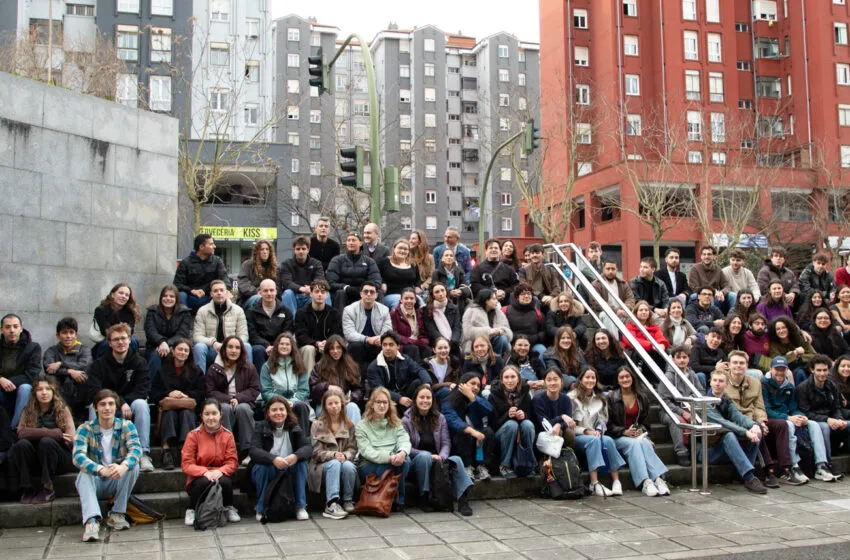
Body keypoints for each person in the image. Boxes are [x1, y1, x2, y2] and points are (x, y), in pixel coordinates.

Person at [723, 351, 802, 486]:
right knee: (757, 429)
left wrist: (762, 421)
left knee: (781, 424)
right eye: (735, 362)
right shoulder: (723, 382)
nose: (738, 366)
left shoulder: (755, 382)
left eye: (741, 363)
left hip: (754, 419)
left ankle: (785, 468)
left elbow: (759, 407)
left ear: (747, 365)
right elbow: (729, 412)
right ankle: (768, 470)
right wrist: (756, 424)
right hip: (736, 422)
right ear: (729, 365)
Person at [73, 389, 141, 542]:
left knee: (133, 466)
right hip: (95, 480)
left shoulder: (126, 425)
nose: (107, 408)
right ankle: (92, 521)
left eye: (111, 404)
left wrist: (123, 466)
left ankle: (117, 513)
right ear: (95, 408)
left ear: (116, 407)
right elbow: (78, 457)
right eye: (102, 404)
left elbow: (136, 450)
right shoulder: (85, 428)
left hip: (116, 478)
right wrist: (100, 469)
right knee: (84, 473)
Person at [85, 323, 153, 472]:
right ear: (109, 343)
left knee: (142, 404)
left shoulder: (139, 362)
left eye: (123, 338)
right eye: (116, 339)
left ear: (130, 340)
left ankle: (143, 453)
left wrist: (124, 402)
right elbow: (95, 391)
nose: (120, 342)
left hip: (132, 403)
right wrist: (119, 403)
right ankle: (95, 454)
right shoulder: (99, 364)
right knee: (93, 407)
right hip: (109, 403)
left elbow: (142, 390)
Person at [402, 384, 475, 514]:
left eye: (428, 398)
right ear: (415, 400)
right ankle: (424, 497)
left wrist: (442, 456)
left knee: (456, 459)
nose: (425, 401)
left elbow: (446, 442)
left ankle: (463, 500)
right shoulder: (406, 421)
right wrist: (429, 456)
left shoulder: (440, 418)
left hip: (439, 460)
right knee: (424, 457)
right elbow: (406, 447)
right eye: (422, 397)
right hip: (418, 463)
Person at [8, 374, 75, 504]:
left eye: (48, 389)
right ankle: (27, 488)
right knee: (22, 444)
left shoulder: (63, 410)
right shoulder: (28, 411)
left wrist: (46, 435)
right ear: (35, 393)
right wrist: (54, 433)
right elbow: (21, 433)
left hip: (57, 459)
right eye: (40, 389)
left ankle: (48, 487)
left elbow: (71, 438)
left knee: (46, 442)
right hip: (35, 459)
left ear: (53, 392)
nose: (44, 393)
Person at [763, 356, 830, 482]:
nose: (779, 372)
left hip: (789, 417)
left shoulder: (789, 386)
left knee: (813, 424)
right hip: (774, 420)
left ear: (787, 370)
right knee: (788, 424)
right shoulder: (763, 384)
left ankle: (821, 465)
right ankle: (794, 465)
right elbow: (767, 410)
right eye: (777, 369)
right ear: (771, 369)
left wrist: (801, 416)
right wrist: (789, 417)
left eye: (782, 369)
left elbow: (794, 407)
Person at [607, 367, 670, 497]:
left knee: (644, 442)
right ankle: (645, 482)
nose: (625, 379)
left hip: (636, 436)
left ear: (632, 378)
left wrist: (640, 430)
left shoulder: (641, 396)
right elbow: (607, 425)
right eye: (622, 377)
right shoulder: (611, 397)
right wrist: (624, 431)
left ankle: (658, 479)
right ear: (617, 380)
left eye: (627, 376)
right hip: (617, 436)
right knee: (635, 444)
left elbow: (645, 422)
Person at [703, 369, 768, 494]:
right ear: (710, 383)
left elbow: (738, 417)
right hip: (707, 451)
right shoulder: (705, 403)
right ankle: (749, 477)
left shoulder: (726, 400)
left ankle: (743, 474)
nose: (717, 384)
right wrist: (745, 432)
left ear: (726, 385)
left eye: (721, 381)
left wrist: (753, 425)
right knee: (729, 435)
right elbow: (723, 423)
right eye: (714, 380)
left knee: (756, 431)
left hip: (724, 449)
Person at [250, 396, 311, 521]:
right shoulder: (260, 427)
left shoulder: (294, 426)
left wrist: (295, 456)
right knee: (261, 467)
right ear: (268, 412)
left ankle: (300, 506)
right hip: (270, 467)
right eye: (274, 410)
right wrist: (273, 459)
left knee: (302, 464)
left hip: (288, 467)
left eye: (282, 409)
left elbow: (307, 447)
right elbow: (254, 450)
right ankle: (261, 508)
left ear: (287, 411)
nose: (278, 413)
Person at [568, 368, 627, 497]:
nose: (590, 380)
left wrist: (600, 429)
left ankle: (616, 480)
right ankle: (594, 483)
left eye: (593, 378)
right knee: (593, 441)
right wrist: (586, 431)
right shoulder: (572, 397)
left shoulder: (601, 398)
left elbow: (603, 420)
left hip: (595, 434)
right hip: (578, 436)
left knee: (608, 440)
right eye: (587, 377)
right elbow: (570, 425)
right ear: (581, 379)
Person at [181, 399, 240, 526]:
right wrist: (204, 472)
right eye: (207, 414)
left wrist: (220, 471)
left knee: (225, 481)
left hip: (220, 472)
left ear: (220, 415)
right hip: (199, 475)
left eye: (214, 413)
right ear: (201, 416)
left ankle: (228, 507)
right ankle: (191, 509)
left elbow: (232, 462)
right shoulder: (193, 435)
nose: (211, 417)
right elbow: (187, 463)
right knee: (203, 482)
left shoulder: (228, 435)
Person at [150, 339, 205, 470]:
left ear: (189, 354)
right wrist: (169, 393)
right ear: (173, 351)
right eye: (180, 349)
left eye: (186, 350)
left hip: (188, 408)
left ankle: (186, 450)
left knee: (186, 413)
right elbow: (154, 394)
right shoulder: (162, 371)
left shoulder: (196, 371)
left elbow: (202, 393)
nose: (182, 352)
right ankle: (167, 450)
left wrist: (186, 395)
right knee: (169, 413)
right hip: (169, 408)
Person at [356, 387, 412, 512]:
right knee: (389, 466)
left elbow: (404, 440)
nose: (382, 405)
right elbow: (367, 451)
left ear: (389, 405)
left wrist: (402, 452)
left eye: (385, 402)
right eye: (378, 402)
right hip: (369, 465)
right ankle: (392, 499)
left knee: (406, 460)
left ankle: (398, 500)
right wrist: (389, 457)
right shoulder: (362, 426)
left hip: (393, 460)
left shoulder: (396, 423)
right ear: (371, 404)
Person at [205, 336, 260, 458]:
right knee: (224, 409)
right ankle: (227, 450)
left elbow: (255, 389)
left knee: (243, 409)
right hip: (223, 402)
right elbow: (210, 391)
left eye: (237, 347)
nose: (234, 350)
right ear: (224, 349)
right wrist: (229, 399)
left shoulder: (249, 367)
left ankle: (249, 451)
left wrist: (239, 398)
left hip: (243, 402)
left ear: (241, 351)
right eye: (230, 347)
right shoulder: (214, 368)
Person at [309, 388, 358, 520]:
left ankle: (348, 500)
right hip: (321, 466)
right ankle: (331, 504)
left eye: (336, 403)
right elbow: (315, 452)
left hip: (343, 461)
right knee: (334, 464)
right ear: (324, 406)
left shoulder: (349, 425)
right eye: (330, 403)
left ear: (342, 404)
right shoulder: (317, 425)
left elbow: (352, 448)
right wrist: (334, 455)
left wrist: (345, 456)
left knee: (348, 466)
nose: (334, 406)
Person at [797, 354, 849, 478]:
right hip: (813, 421)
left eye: (825, 370)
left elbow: (836, 408)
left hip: (830, 419)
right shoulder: (803, 388)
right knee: (824, 427)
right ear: (812, 370)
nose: (822, 373)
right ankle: (828, 464)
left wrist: (840, 420)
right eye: (819, 370)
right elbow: (806, 412)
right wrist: (828, 419)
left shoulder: (831, 385)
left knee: (848, 424)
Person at [437, 373, 494, 481]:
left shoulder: (475, 399)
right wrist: (471, 431)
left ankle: (481, 467)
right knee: (463, 433)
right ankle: (467, 467)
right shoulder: (449, 399)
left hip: (475, 441)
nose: (476, 387)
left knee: (488, 432)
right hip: (458, 441)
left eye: (478, 385)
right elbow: (452, 420)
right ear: (462, 384)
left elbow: (489, 410)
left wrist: (473, 398)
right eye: (472, 383)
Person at [657, 346, 704, 466]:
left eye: (685, 357)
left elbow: (701, 392)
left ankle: (697, 448)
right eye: (678, 357)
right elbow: (664, 401)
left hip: (689, 407)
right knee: (676, 420)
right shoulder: (668, 377)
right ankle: (681, 452)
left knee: (703, 415)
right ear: (673, 360)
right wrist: (682, 412)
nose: (682, 360)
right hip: (669, 411)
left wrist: (691, 405)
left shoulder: (692, 374)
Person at [192, 279, 251, 373]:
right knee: (199, 347)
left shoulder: (238, 310)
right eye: (215, 291)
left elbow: (244, 335)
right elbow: (197, 336)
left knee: (247, 346)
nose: (219, 293)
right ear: (211, 294)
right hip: (212, 350)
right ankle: (199, 383)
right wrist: (213, 343)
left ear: (227, 292)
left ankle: (247, 381)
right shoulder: (202, 311)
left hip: (232, 349)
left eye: (221, 290)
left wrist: (230, 345)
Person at [365, 331, 430, 414]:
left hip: (404, 393)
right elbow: (378, 389)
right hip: (385, 398)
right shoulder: (373, 366)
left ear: (398, 346)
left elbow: (419, 370)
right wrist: (399, 398)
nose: (387, 348)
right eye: (385, 345)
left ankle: (418, 414)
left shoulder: (405, 359)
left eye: (391, 344)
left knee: (419, 382)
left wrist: (427, 384)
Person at [487, 366, 535, 478]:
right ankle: (505, 465)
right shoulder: (493, 396)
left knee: (527, 424)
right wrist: (507, 416)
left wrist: (524, 416)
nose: (510, 380)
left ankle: (529, 463)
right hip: (501, 435)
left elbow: (532, 420)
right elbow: (493, 425)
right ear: (502, 380)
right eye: (506, 377)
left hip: (521, 432)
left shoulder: (525, 394)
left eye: (513, 377)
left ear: (518, 378)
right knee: (511, 425)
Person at [259, 333, 312, 435]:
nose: (284, 346)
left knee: (301, 406)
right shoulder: (267, 366)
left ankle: (303, 441)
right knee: (275, 408)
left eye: (287, 344)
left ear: (292, 347)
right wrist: (283, 402)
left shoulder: (300, 365)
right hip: (274, 401)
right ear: (277, 346)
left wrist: (292, 401)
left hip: (295, 402)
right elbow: (266, 391)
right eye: (281, 344)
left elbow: (304, 390)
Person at [43, 317, 91, 413]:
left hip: (79, 387)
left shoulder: (84, 350)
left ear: (76, 335)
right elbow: (49, 368)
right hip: (57, 385)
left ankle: (74, 414)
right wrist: (69, 371)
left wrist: (60, 363)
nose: (68, 336)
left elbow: (84, 365)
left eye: (71, 332)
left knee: (77, 379)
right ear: (58, 335)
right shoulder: (51, 351)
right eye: (64, 333)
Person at [342, 281, 392, 375]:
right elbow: (349, 334)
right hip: (358, 344)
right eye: (366, 291)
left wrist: (380, 338)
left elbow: (388, 330)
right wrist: (367, 339)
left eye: (372, 292)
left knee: (385, 346)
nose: (369, 294)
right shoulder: (349, 310)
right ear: (361, 294)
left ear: (376, 295)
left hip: (376, 344)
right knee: (355, 346)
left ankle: (381, 380)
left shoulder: (384, 310)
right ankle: (357, 380)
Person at [293, 280, 343, 374]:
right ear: (311, 294)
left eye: (323, 292)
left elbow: (337, 333)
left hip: (328, 346)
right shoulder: (301, 313)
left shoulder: (334, 313)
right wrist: (316, 344)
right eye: (316, 292)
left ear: (327, 295)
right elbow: (301, 336)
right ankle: (309, 384)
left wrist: (327, 344)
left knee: (335, 348)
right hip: (308, 347)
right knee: (309, 349)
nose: (319, 294)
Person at [144, 285, 193, 375]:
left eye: (171, 296)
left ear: (176, 299)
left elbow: (182, 333)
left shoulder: (184, 312)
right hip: (155, 346)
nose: (168, 298)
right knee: (157, 354)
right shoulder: (152, 311)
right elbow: (150, 331)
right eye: (165, 296)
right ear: (161, 298)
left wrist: (167, 344)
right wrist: (161, 342)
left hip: (176, 346)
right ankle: (153, 386)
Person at [327, 232, 383, 311]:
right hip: (345, 293)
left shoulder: (369, 261)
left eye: (353, 240)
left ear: (360, 243)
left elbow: (376, 281)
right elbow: (331, 282)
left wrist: (364, 290)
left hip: (364, 293)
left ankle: (379, 321)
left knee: (378, 293)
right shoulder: (337, 260)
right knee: (340, 293)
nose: (351, 242)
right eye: (348, 240)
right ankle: (340, 322)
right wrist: (345, 287)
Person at [174, 234, 229, 312]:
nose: (214, 246)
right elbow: (177, 284)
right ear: (201, 247)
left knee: (224, 294)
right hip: (190, 297)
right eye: (211, 244)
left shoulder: (217, 261)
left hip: (210, 297)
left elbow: (225, 281)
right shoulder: (185, 263)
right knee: (181, 295)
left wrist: (208, 290)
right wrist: (192, 290)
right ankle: (183, 319)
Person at [246, 279, 294, 367]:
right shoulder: (251, 312)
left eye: (271, 290)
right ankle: (260, 379)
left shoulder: (286, 311)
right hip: (261, 346)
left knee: (291, 346)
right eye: (265, 291)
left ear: (276, 291)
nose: (269, 293)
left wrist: (277, 346)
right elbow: (253, 335)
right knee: (258, 350)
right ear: (260, 292)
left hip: (281, 344)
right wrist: (267, 345)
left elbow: (288, 332)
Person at [621, 300, 669, 383]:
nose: (644, 312)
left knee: (664, 352)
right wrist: (651, 346)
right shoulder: (629, 326)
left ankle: (657, 381)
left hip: (652, 351)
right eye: (641, 310)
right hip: (635, 352)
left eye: (646, 310)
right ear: (636, 313)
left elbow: (660, 338)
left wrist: (662, 345)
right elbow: (631, 340)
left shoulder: (654, 327)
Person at [279, 236, 327, 317]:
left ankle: (323, 321)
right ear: (294, 250)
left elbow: (319, 280)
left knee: (325, 294)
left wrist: (311, 289)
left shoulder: (316, 263)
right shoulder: (286, 264)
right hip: (293, 296)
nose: (301, 251)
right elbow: (286, 282)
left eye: (303, 249)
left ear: (308, 250)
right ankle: (291, 325)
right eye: (298, 249)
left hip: (310, 295)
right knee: (287, 293)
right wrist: (301, 289)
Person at [90, 283, 141, 359]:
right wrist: (119, 335)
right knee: (107, 344)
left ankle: (131, 366)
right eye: (121, 293)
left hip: (124, 338)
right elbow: (105, 330)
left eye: (127, 295)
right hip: (106, 339)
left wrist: (121, 337)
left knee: (132, 341)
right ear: (112, 295)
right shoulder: (101, 310)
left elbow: (130, 331)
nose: (124, 296)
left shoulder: (130, 312)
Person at [531, 368, 577, 446]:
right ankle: (549, 458)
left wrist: (559, 424)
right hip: (541, 433)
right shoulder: (538, 399)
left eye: (555, 379)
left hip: (558, 430)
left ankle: (567, 456)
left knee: (569, 432)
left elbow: (568, 421)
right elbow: (544, 424)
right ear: (545, 382)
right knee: (557, 432)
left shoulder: (566, 399)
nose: (552, 383)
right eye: (549, 380)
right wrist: (562, 417)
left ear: (561, 381)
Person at [591, 257, 636, 335]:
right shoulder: (596, 284)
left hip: (622, 313)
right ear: (603, 269)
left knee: (638, 315)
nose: (610, 271)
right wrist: (615, 311)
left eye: (613, 269)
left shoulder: (623, 284)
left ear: (616, 269)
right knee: (608, 316)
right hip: (602, 314)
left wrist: (624, 310)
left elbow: (630, 299)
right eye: (608, 269)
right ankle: (614, 344)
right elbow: (597, 302)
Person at [461, 289, 512, 356]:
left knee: (503, 339)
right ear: (486, 300)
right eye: (493, 299)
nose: (497, 301)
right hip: (476, 344)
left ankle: (495, 361)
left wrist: (502, 330)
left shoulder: (498, 312)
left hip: (495, 343)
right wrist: (489, 331)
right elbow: (467, 332)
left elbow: (509, 332)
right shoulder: (471, 311)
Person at [504, 283, 547, 358]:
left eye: (529, 294)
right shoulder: (505, 310)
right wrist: (519, 340)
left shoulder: (538, 313)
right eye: (523, 294)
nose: (526, 296)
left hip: (533, 344)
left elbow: (543, 332)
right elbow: (504, 330)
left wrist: (533, 338)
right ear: (517, 297)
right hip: (512, 344)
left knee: (541, 350)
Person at [470, 238, 518, 304]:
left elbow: (515, 285)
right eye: (491, 248)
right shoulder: (477, 269)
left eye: (496, 248)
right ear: (486, 251)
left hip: (505, 303)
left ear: (500, 251)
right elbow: (474, 285)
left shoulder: (509, 269)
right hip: (485, 303)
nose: (493, 250)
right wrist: (492, 293)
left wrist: (504, 292)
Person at [768, 316, 816, 382]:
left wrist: (799, 356)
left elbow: (814, 355)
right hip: (789, 370)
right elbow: (776, 362)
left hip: (806, 366)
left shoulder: (800, 337)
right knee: (800, 373)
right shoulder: (774, 345)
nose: (781, 331)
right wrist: (795, 353)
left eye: (784, 327)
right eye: (778, 329)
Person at [391, 288, 431, 361]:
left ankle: (425, 371)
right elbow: (394, 335)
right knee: (413, 349)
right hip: (402, 345)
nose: (409, 301)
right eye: (406, 298)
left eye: (411, 298)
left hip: (417, 342)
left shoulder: (419, 313)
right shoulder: (394, 313)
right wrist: (414, 342)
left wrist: (424, 341)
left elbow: (423, 333)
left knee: (427, 349)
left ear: (415, 300)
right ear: (401, 300)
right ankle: (416, 371)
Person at [688, 246, 732, 312]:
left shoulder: (718, 269)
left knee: (732, 295)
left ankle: (732, 318)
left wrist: (722, 292)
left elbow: (726, 285)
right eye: (704, 254)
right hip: (699, 295)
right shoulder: (695, 269)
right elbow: (694, 287)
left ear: (714, 256)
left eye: (709, 254)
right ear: (701, 256)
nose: (706, 256)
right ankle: (710, 319)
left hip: (717, 297)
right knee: (707, 296)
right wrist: (712, 292)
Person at [422, 282, 462, 355]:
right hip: (437, 345)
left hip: (452, 344)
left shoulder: (454, 308)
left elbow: (457, 328)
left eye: (442, 290)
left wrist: (453, 341)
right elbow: (431, 330)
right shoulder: (427, 310)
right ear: (433, 295)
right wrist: (444, 343)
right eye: (437, 292)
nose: (441, 293)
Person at [518, 244, 562, 309]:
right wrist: (541, 297)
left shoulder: (549, 270)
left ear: (543, 254)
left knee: (564, 300)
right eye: (532, 253)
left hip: (549, 298)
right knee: (535, 300)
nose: (534, 255)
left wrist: (551, 296)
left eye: (537, 253)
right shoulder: (523, 271)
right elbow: (525, 288)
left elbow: (557, 287)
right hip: (533, 298)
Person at [380, 239, 420, 310]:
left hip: (409, 294)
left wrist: (418, 287)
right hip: (390, 295)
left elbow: (418, 280)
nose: (402, 251)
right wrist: (382, 283)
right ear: (394, 249)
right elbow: (377, 276)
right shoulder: (384, 262)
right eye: (400, 248)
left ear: (408, 251)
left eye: (405, 249)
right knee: (399, 304)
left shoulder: (413, 264)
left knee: (422, 303)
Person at [237, 239, 278, 307]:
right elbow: (243, 284)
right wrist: (258, 292)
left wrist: (269, 292)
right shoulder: (247, 265)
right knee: (259, 299)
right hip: (248, 299)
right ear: (257, 252)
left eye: (267, 249)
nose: (265, 252)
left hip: (270, 297)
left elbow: (278, 285)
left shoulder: (275, 267)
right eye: (262, 249)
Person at [432, 246, 472, 314]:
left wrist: (460, 291)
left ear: (454, 259)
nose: (449, 257)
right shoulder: (436, 273)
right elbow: (434, 290)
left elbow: (467, 288)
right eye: (446, 255)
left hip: (458, 299)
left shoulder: (459, 271)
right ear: (442, 258)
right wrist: (449, 293)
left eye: (451, 255)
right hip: (443, 300)